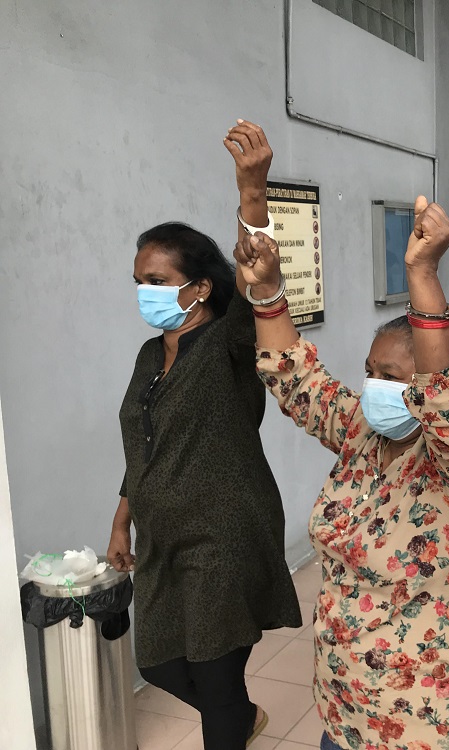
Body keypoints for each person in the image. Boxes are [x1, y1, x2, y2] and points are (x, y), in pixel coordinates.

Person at [230, 120, 449, 750]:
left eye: (394, 378)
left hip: (439, 719)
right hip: (349, 708)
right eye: (370, 374)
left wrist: (422, 274)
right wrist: (255, 213)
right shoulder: (363, 434)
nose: (375, 389)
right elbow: (294, 375)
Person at [107, 123, 302, 749]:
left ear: (200, 288)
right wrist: (121, 520)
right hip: (162, 541)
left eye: (158, 281)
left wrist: (252, 190)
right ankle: (239, 717)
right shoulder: (146, 355)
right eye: (139, 279)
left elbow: (258, 274)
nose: (145, 291)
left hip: (224, 536)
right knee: (158, 661)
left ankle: (230, 722)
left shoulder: (227, 344)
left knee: (215, 686)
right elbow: (144, 442)